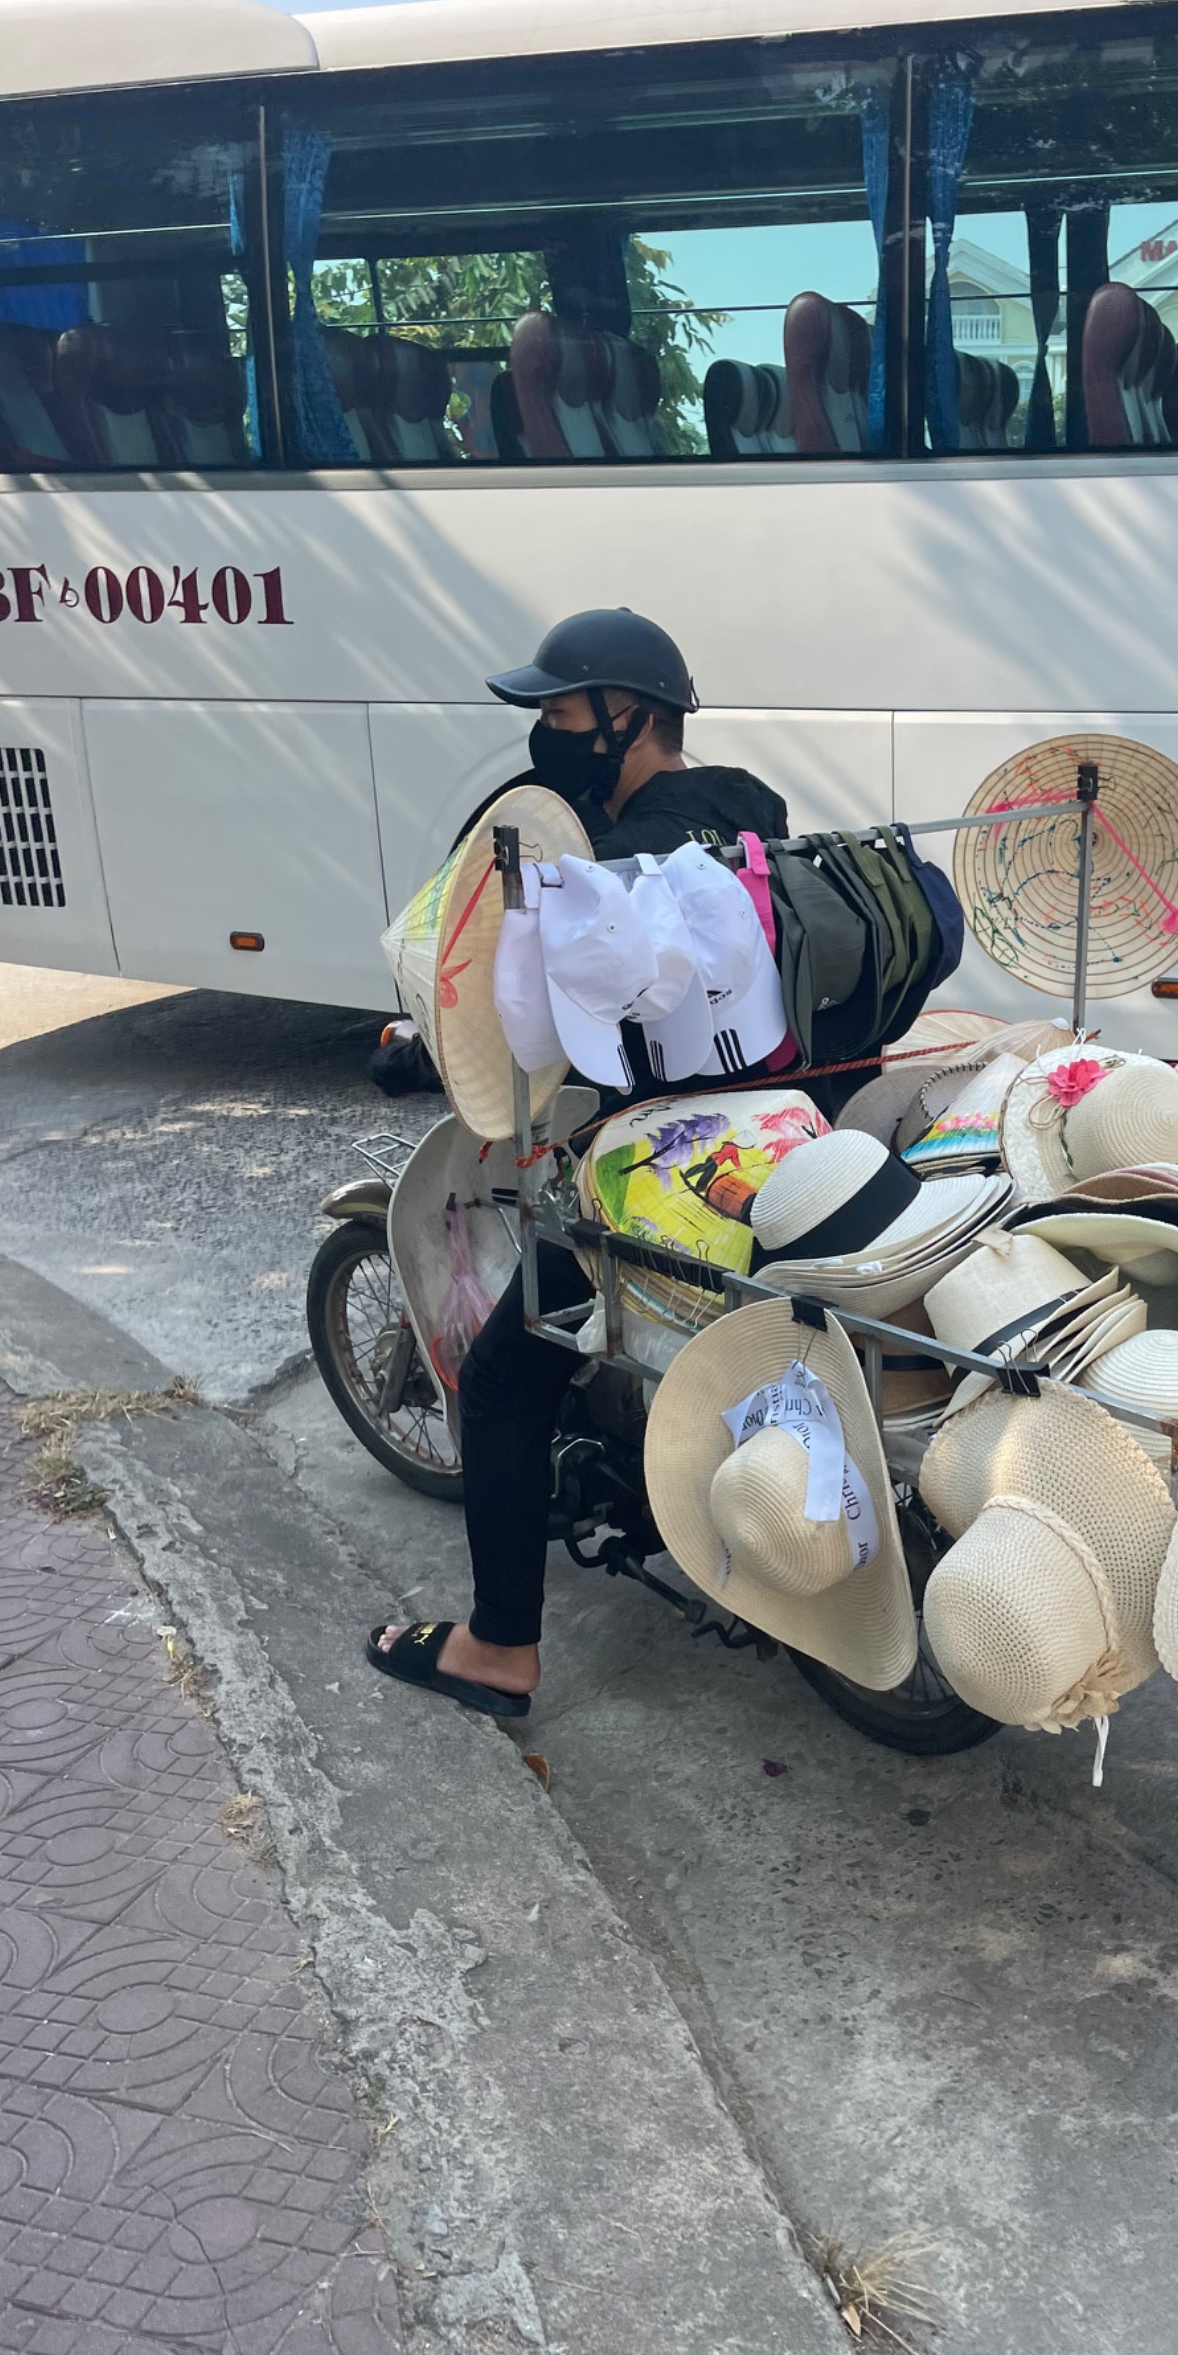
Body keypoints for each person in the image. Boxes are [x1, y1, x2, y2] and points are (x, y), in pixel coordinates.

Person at [368, 608, 787, 1720]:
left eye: (560, 710)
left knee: (505, 1380)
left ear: (628, 719)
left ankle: (497, 1647)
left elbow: (525, 1026)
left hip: (662, 1165)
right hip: (789, 1131)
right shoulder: (754, 814)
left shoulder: (603, 867)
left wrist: (423, 1053)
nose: (546, 732)